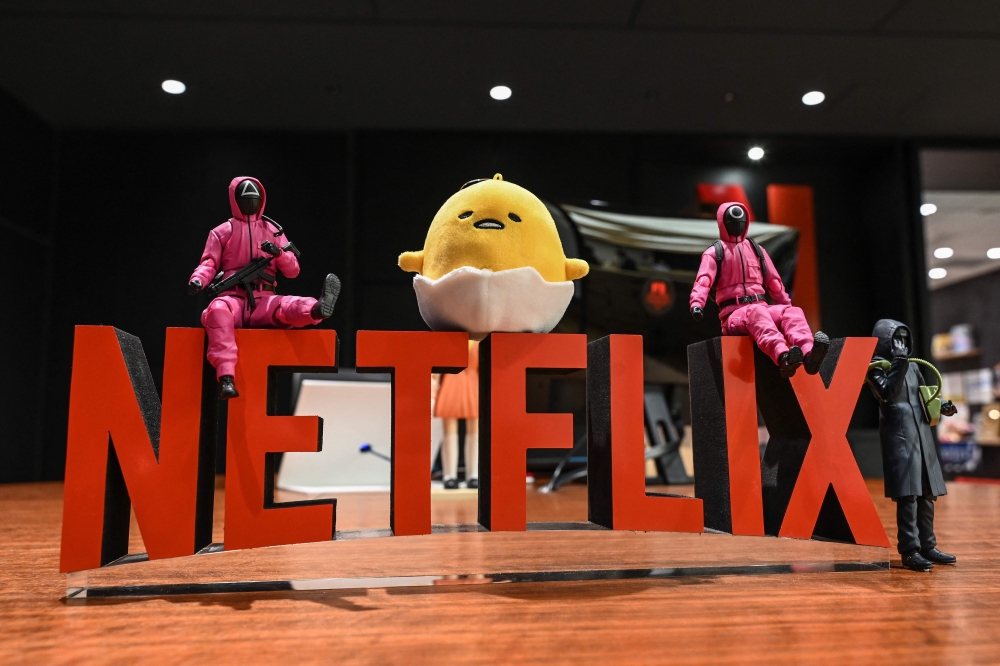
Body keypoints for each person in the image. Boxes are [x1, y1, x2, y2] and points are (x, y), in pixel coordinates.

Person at [188, 176, 340, 399]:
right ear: (235, 199)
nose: (250, 202)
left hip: (265, 299)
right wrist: (198, 280)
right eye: (245, 198)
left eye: (254, 198)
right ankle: (226, 377)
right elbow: (209, 263)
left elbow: (293, 270)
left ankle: (317, 309)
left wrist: (278, 254)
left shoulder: (273, 231)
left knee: (288, 306)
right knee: (218, 311)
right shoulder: (222, 232)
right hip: (233, 299)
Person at [689, 202, 827, 378]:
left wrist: (785, 309)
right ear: (723, 222)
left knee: (793, 312)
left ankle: (809, 355)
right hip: (734, 317)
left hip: (761, 307)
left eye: (740, 221)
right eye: (732, 221)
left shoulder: (756, 250)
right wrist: (696, 303)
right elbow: (703, 280)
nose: (737, 225)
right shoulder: (715, 252)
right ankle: (783, 357)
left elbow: (774, 282)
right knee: (757, 312)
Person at [867, 319, 958, 572]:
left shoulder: (913, 368)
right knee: (908, 496)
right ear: (885, 341)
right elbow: (888, 393)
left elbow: (924, 397)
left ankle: (928, 546)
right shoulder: (876, 367)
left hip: (921, 435)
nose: (901, 345)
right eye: (896, 340)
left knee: (927, 494)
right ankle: (909, 550)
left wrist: (942, 407)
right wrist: (898, 362)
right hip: (899, 437)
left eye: (905, 341)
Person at [432, 340, 479, 489]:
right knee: (450, 433)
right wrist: (433, 389)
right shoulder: (449, 340)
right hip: (451, 384)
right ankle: (449, 475)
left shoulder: (479, 342)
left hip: (473, 384)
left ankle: (473, 474)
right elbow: (436, 370)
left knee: (475, 432)